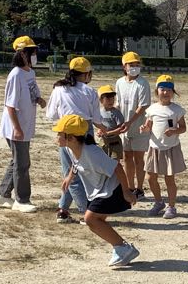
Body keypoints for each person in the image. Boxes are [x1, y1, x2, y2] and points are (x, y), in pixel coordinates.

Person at [54, 114, 139, 267]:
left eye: (59, 134)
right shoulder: (71, 148)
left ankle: (123, 248)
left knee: (90, 219)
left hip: (112, 190)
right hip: (100, 191)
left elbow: (117, 167)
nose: (57, 136)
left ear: (71, 138)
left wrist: (126, 191)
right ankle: (121, 248)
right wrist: (69, 177)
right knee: (96, 222)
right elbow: (76, 163)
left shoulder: (92, 153)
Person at [0, 35, 46, 213]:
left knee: (18, 161)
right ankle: (22, 200)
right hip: (16, 127)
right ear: (22, 54)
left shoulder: (30, 73)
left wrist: (38, 99)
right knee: (22, 164)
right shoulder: (15, 75)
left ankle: (1, 194)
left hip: (25, 125)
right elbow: (10, 105)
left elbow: (32, 92)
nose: (34, 56)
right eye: (32, 52)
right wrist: (17, 128)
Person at [46, 57, 104, 224]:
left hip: (65, 130)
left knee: (70, 172)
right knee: (80, 172)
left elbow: (51, 115)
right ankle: (86, 211)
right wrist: (108, 130)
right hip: (84, 130)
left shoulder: (59, 89)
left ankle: (63, 209)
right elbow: (97, 119)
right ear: (86, 74)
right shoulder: (90, 91)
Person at [139, 75, 187, 219]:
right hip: (154, 147)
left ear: (173, 92)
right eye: (162, 89)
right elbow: (148, 125)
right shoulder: (152, 109)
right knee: (150, 178)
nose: (165, 92)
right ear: (157, 91)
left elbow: (183, 128)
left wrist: (174, 131)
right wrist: (144, 128)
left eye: (169, 90)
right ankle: (159, 202)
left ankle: (171, 207)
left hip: (170, 148)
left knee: (169, 179)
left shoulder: (177, 110)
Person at [116, 51, 151, 199]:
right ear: (124, 66)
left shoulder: (142, 83)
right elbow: (118, 103)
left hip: (139, 127)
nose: (135, 67)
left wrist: (130, 122)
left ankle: (140, 188)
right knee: (126, 158)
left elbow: (143, 106)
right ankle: (129, 187)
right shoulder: (119, 82)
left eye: (137, 64)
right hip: (124, 128)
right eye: (131, 64)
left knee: (138, 159)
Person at [96, 85, 125, 160]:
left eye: (112, 98)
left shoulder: (116, 112)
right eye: (108, 98)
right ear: (101, 100)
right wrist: (99, 131)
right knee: (103, 161)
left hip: (115, 142)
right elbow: (100, 125)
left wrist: (108, 133)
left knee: (114, 162)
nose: (111, 101)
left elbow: (121, 128)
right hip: (103, 141)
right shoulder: (99, 112)